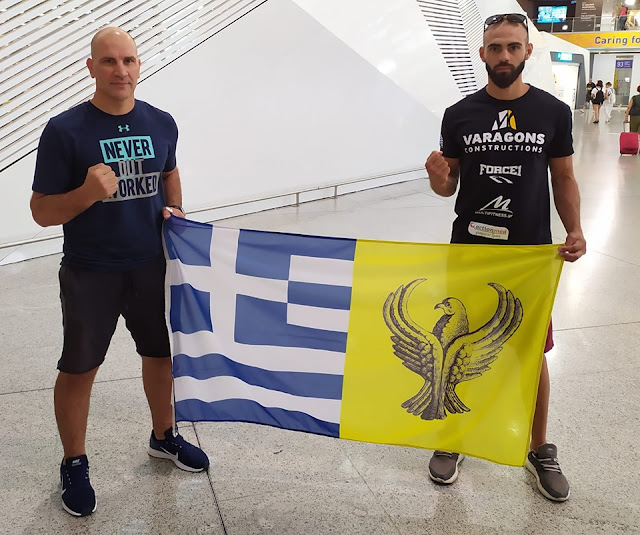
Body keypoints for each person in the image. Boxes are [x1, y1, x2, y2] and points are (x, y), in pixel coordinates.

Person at [30, 27, 209, 518]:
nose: (120, 70)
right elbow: (41, 211)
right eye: (109, 61)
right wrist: (86, 193)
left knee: (161, 354)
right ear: (91, 67)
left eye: (128, 60)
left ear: (139, 65)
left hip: (152, 264)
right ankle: (73, 462)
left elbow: (169, 171)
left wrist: (175, 208)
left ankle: (163, 436)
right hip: (91, 271)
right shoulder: (65, 130)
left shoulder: (161, 122)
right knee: (79, 367)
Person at [424, 12, 586, 503]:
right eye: (495, 47)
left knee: (530, 352)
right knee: (457, 345)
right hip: (470, 254)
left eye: (513, 47)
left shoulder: (552, 113)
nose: (504, 56)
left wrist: (575, 229)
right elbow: (449, 185)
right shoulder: (459, 115)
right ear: (482, 53)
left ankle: (539, 449)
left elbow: (563, 177)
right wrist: (438, 179)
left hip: (529, 257)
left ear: (527, 51)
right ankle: (453, 437)